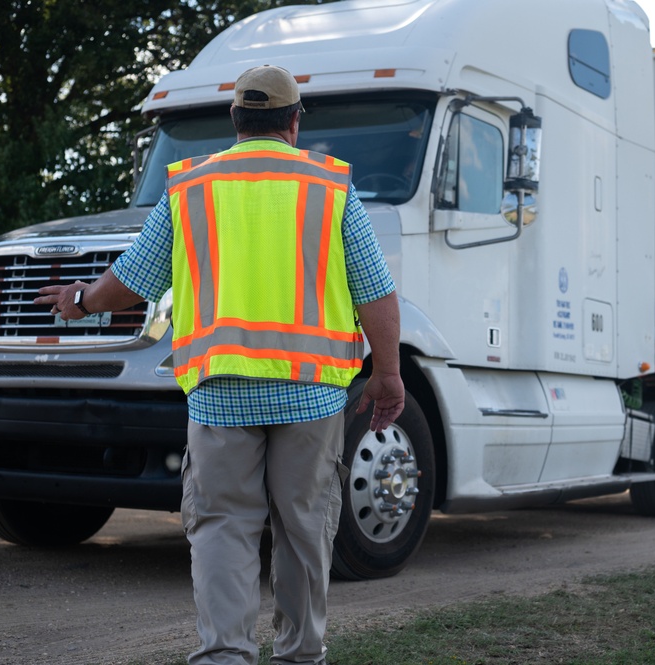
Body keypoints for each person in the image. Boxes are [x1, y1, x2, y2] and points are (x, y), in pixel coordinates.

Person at [35, 64, 404, 665]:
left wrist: (79, 301)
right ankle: (301, 654)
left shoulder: (191, 188)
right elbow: (374, 293)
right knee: (304, 527)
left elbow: (132, 280)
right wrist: (387, 374)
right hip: (310, 394)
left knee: (222, 527)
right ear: (292, 122)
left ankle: (226, 655)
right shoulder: (331, 187)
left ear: (235, 120)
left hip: (218, 393)